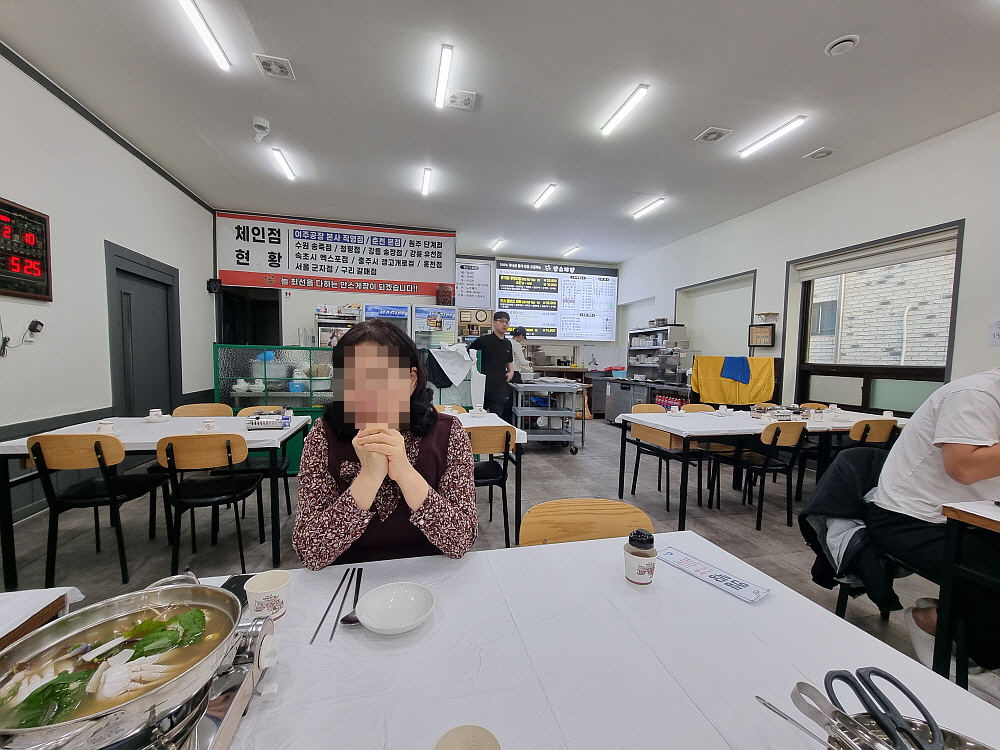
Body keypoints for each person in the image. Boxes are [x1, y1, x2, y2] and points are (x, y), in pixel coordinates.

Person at [292, 319, 477, 569]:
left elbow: (461, 540)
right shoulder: (325, 434)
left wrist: (404, 471)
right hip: (348, 576)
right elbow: (310, 552)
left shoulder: (447, 432)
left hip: (428, 573)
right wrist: (369, 476)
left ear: (411, 379)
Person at [866, 367, 1000, 691]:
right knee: (989, 578)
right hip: (910, 517)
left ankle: (967, 630)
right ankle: (931, 622)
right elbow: (963, 466)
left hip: (973, 517)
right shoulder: (975, 394)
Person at [467, 311, 514, 416]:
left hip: (499, 387)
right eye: (501, 321)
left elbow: (509, 360)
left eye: (507, 322)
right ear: (494, 322)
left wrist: (511, 371)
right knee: (478, 416)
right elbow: (468, 354)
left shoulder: (507, 343)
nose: (504, 324)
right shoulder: (483, 340)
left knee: (497, 417)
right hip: (482, 386)